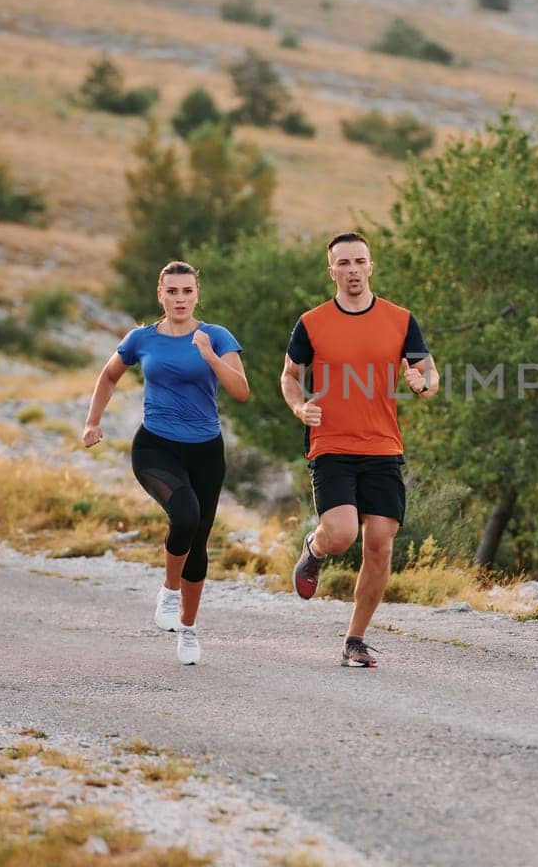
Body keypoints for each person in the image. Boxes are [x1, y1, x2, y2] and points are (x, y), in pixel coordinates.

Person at [280, 231, 438, 668]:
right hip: (330, 443)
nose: (352, 270)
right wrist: (300, 407)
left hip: (382, 445)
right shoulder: (312, 322)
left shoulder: (400, 319)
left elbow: (428, 370)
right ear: (331, 270)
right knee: (343, 533)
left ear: (371, 266)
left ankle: (355, 639)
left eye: (359, 262)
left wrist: (422, 383)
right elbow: (290, 375)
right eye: (343, 263)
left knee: (381, 545)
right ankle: (314, 548)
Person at [81, 260, 249, 666]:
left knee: (199, 543)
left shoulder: (216, 336)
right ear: (161, 294)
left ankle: (188, 631)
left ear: (196, 294)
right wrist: (92, 421)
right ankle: (169, 593)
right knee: (185, 515)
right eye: (172, 291)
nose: (180, 298)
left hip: (206, 450)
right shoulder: (141, 338)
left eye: (187, 291)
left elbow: (241, 391)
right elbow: (108, 375)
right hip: (155, 446)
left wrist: (210, 356)